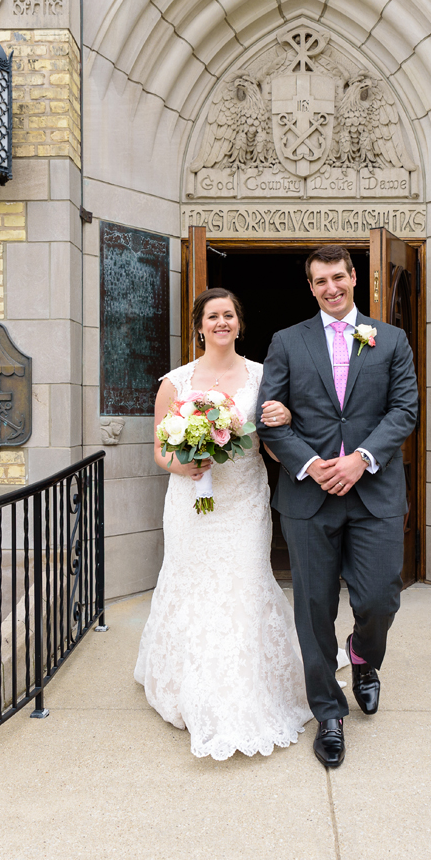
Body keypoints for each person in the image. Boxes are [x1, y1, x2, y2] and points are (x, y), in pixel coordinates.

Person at [256, 244, 420, 769]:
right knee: (313, 608)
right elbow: (269, 419)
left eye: (338, 277)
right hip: (310, 495)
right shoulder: (286, 342)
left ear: (354, 277)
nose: (331, 288)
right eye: (320, 281)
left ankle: (365, 657)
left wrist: (362, 459)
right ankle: (329, 712)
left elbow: (405, 409)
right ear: (311, 287)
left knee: (379, 598)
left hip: (374, 492)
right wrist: (309, 463)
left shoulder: (391, 339)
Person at [133, 287, 313, 758]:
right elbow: (160, 450)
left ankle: (248, 688)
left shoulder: (262, 375)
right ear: (199, 325)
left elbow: (273, 438)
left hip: (244, 501)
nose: (221, 323)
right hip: (191, 502)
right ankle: (190, 686)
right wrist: (184, 465)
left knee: (245, 584)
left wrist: (287, 417)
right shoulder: (175, 382)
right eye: (212, 316)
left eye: (228, 315)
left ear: (239, 322)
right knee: (191, 585)